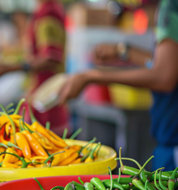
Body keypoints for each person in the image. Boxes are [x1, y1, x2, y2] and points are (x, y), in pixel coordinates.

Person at [58, 0, 178, 171]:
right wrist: (123, 51)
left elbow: (164, 77)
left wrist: (91, 76)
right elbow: (168, 65)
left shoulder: (171, 6)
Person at [0, 0, 69, 135]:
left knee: (48, 145)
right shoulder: (46, 11)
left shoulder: (47, 15)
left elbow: (51, 59)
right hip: (42, 91)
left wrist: (7, 69)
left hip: (46, 94)